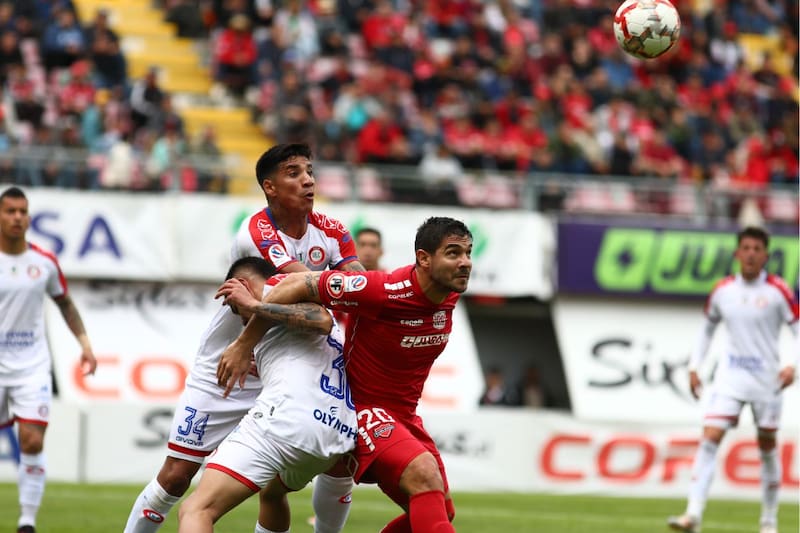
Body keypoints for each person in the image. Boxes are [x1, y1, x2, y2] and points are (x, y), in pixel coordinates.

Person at [126, 142, 363, 533]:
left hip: (290, 365)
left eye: (309, 171)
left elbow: (355, 291)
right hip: (231, 363)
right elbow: (316, 299)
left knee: (329, 465)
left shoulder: (333, 232)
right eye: (293, 173)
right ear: (269, 187)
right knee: (176, 477)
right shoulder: (257, 233)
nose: (307, 180)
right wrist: (243, 344)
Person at [218, 216, 473, 533]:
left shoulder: (448, 293)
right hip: (361, 408)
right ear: (423, 258)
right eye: (453, 253)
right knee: (423, 475)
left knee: (441, 512)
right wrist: (245, 343)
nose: (465, 263)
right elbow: (298, 284)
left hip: (404, 414)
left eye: (468, 253)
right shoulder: (383, 290)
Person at [178, 257, 356, 532]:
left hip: (285, 423)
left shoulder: (278, 286)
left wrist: (251, 304)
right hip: (335, 435)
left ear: (242, 285)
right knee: (272, 493)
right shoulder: (288, 312)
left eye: (235, 307)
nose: (241, 319)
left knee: (196, 509)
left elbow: (318, 320)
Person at [667, 227, 799, 533]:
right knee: (710, 436)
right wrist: (694, 365)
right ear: (737, 253)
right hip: (731, 377)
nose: (751, 254)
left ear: (766, 255)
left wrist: (794, 365)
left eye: (757, 249)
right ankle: (693, 515)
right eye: (746, 248)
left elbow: (798, 329)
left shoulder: (779, 291)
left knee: (766, 446)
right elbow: (706, 329)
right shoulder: (722, 290)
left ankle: (769, 521)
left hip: (767, 380)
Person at [0, 186, 97, 533]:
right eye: (9, 211)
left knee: (32, 440)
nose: (16, 218)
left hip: (32, 365)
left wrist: (84, 344)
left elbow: (65, 304)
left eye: (22, 211)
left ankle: (27, 522)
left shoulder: (43, 262)